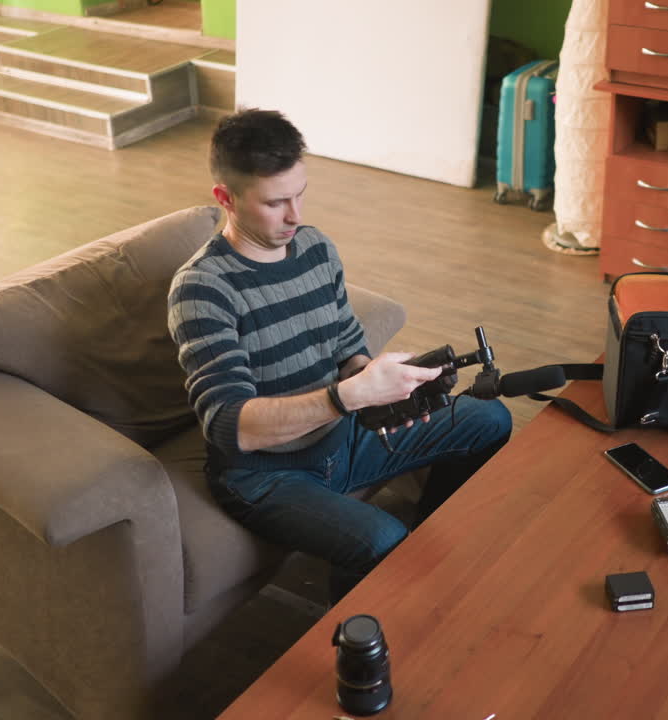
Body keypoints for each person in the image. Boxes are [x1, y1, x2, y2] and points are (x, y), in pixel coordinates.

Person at [168, 109, 512, 603]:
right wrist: (349, 396)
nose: (295, 215)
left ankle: (430, 546)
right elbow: (230, 426)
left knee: (491, 419)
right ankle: (359, 636)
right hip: (265, 475)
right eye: (275, 203)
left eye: (300, 193)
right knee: (380, 540)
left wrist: (387, 379)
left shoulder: (315, 249)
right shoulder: (203, 289)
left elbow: (346, 346)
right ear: (226, 198)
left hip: (343, 439)